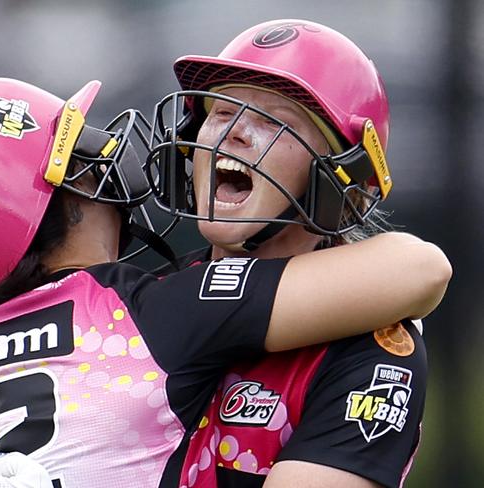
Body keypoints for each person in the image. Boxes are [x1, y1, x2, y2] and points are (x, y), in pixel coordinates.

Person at [0, 77, 450, 488]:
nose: (105, 163)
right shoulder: (139, 309)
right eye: (82, 160)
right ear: (58, 201)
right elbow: (421, 268)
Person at [147, 19, 451, 487]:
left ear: (336, 182)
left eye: (274, 121)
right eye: (223, 111)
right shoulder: (140, 299)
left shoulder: (370, 352)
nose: (235, 134)